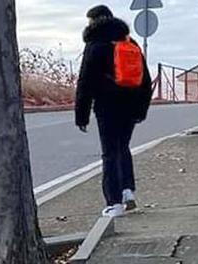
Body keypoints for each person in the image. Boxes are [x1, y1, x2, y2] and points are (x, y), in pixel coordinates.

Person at [75, 5, 154, 217]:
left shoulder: (95, 45)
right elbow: (145, 80)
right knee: (123, 147)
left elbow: (85, 82)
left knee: (110, 152)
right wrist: (141, 109)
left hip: (107, 107)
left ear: (94, 21)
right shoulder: (130, 42)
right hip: (131, 106)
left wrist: (81, 115)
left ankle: (114, 203)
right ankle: (128, 192)